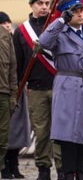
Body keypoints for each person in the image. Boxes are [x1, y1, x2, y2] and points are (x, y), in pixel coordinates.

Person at [38, 0, 83, 180]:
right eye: (75, 11)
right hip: (67, 89)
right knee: (68, 140)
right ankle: (68, 175)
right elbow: (43, 42)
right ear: (67, 14)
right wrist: (61, 20)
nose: (79, 14)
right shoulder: (59, 34)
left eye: (81, 10)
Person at [13, 0, 62, 180]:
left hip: (58, 86)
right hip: (35, 89)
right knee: (41, 132)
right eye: (40, 3)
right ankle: (43, 168)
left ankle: (62, 168)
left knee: (59, 131)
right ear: (31, 5)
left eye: (47, 3)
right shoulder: (21, 31)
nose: (44, 7)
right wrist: (17, 89)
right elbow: (18, 63)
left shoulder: (56, 27)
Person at [0, 12, 31, 179]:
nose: (7, 26)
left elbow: (18, 65)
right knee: (6, 132)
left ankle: (14, 164)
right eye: (3, 23)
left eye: (8, 23)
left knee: (16, 131)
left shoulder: (15, 39)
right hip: (5, 91)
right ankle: (4, 166)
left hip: (16, 89)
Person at [0, 18, 17, 180]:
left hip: (3, 92)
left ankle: (2, 167)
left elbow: (12, 67)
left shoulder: (5, 35)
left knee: (3, 136)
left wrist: (13, 94)